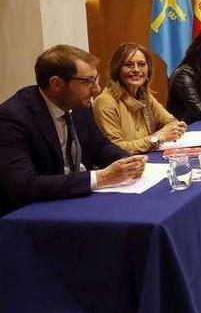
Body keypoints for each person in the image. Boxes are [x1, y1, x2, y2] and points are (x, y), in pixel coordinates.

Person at [0, 45, 146, 216]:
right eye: (87, 82)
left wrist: (129, 161)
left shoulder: (79, 104)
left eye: (96, 80)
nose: (96, 89)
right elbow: (24, 185)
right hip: (37, 214)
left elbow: (99, 146)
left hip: (79, 199)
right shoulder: (13, 117)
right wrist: (101, 178)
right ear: (57, 84)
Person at [93, 43, 187, 153]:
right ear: (117, 70)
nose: (136, 70)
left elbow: (171, 122)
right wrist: (157, 138)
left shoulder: (144, 96)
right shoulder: (105, 101)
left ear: (148, 71)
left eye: (141, 64)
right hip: (124, 165)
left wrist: (170, 131)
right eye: (129, 65)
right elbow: (116, 148)